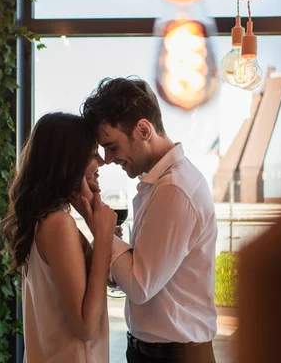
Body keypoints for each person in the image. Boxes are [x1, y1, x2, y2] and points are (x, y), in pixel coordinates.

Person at [82, 77, 218, 363]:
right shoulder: (159, 185)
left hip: (174, 356)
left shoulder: (174, 189)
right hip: (157, 352)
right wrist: (112, 249)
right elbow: (142, 275)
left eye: (112, 146)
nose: (107, 159)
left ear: (143, 130)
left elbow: (139, 286)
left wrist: (105, 234)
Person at [0, 112, 117, 363]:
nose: (101, 161)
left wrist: (93, 222)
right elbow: (85, 326)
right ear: (69, 160)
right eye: (92, 152)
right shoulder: (59, 224)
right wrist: (103, 237)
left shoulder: (41, 222)